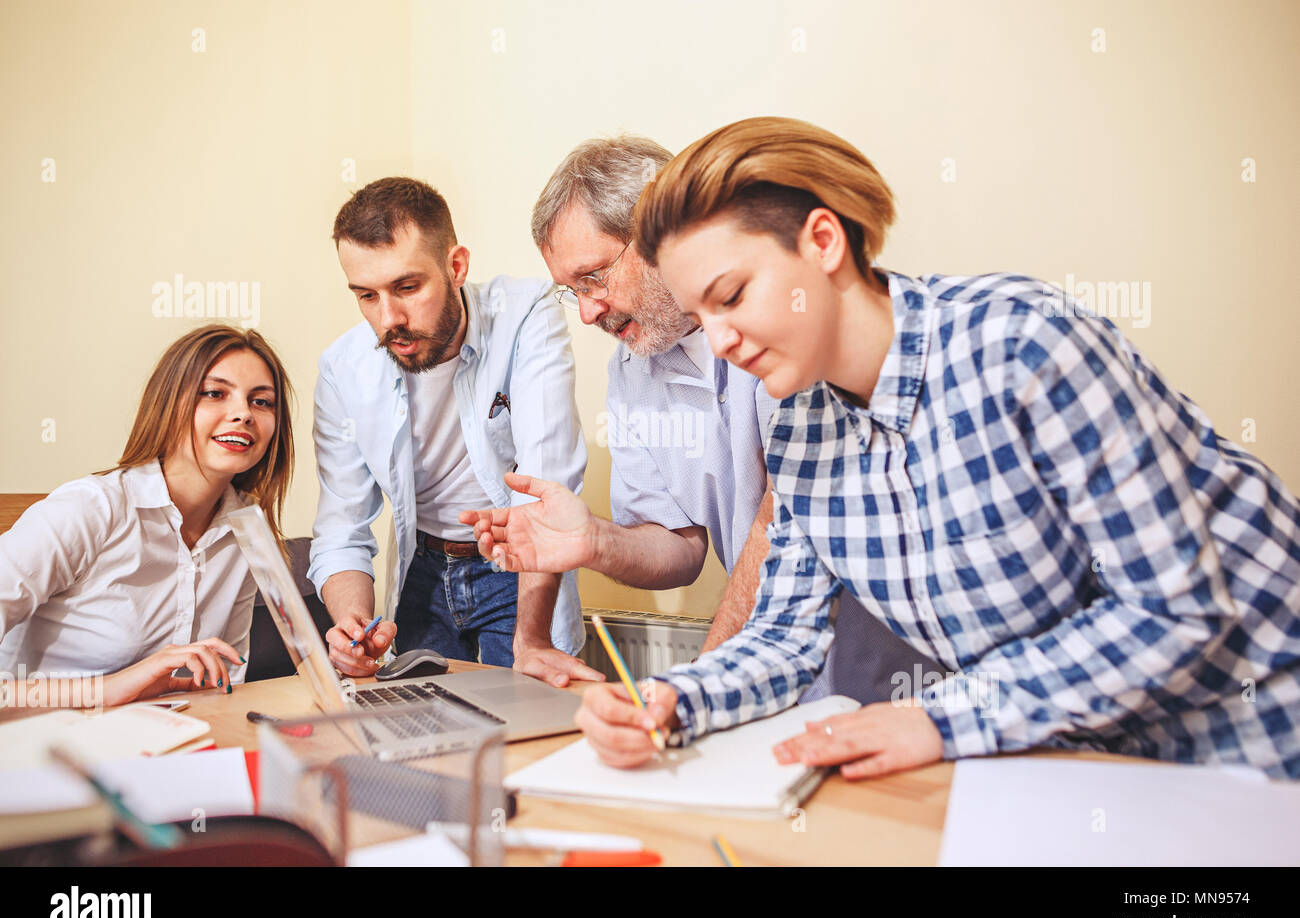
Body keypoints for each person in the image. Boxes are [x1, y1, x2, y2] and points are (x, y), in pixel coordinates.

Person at [575, 116, 1300, 780]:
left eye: (731, 296)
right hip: (1079, 761)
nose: (722, 344)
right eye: (702, 315)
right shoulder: (798, 430)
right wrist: (674, 699)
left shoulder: (1022, 345)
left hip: (1252, 731)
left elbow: (1176, 607)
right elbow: (785, 636)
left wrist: (939, 719)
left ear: (823, 242)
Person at [462, 137, 934, 704]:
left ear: (659, 237)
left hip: (882, 667)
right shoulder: (635, 372)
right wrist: (593, 540)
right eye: (572, 292)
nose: (587, 311)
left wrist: (693, 691)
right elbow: (687, 548)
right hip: (774, 661)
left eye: (594, 278)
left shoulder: (803, 342)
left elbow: (777, 529)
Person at [309, 177, 601, 687]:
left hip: (516, 565)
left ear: (456, 266)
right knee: (433, 744)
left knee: (525, 731)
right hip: (421, 575)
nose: (389, 320)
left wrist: (530, 640)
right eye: (366, 296)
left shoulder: (526, 313)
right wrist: (351, 629)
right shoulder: (342, 368)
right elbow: (342, 527)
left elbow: (547, 484)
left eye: (407, 287)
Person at [0, 325, 295, 708]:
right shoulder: (90, 510)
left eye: (262, 402)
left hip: (164, 745)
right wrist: (104, 691)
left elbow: (222, 688)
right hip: (39, 747)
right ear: (169, 404)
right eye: (214, 393)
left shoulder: (249, 534)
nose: (242, 414)